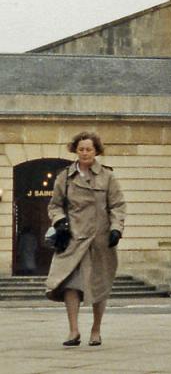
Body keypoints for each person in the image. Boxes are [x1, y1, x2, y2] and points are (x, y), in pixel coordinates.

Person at [45, 131, 126, 348]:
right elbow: (55, 205)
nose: (84, 153)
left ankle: (96, 330)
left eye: (89, 149)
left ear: (96, 151)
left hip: (100, 241)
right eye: (81, 149)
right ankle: (73, 330)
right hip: (73, 239)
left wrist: (116, 229)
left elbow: (117, 205)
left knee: (99, 286)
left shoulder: (108, 177)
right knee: (71, 284)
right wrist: (60, 222)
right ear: (75, 150)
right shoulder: (65, 177)